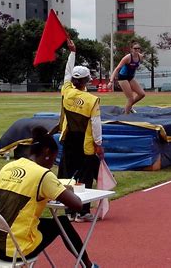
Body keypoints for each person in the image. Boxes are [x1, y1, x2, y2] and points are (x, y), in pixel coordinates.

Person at [0, 126, 98, 268]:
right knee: (62, 222)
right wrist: (60, 188)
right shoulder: (43, 174)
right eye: (53, 158)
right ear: (47, 152)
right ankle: (88, 265)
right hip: (15, 250)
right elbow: (77, 205)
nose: (52, 164)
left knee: (42, 222)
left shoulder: (8, 167)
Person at [56, 39, 104, 222]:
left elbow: (67, 73)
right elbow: (96, 123)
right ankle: (83, 212)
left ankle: (69, 212)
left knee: (68, 176)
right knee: (84, 177)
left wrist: (72, 53)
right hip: (86, 143)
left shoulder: (66, 91)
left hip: (69, 139)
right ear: (86, 81)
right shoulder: (92, 100)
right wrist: (99, 144)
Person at [107, 40, 145, 114]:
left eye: (138, 48)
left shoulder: (140, 57)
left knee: (142, 94)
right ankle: (126, 116)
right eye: (135, 48)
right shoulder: (127, 58)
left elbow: (134, 66)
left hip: (130, 77)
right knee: (130, 98)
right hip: (123, 77)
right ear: (131, 49)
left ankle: (129, 107)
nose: (137, 50)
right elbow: (117, 69)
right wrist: (111, 81)